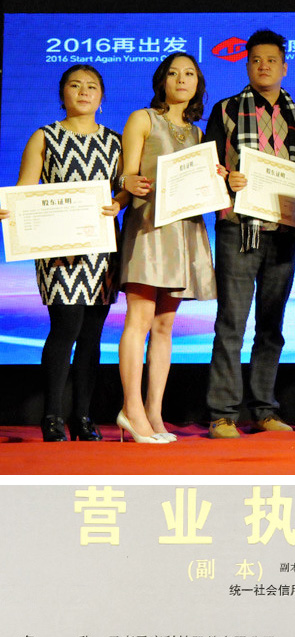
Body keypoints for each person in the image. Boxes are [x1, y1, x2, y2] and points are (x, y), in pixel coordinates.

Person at [204, 29, 295, 439]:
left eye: (271, 60)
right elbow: (208, 166)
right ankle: (222, 414)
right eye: (255, 60)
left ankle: (264, 410)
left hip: (283, 231)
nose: (263, 66)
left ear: (284, 67)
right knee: (231, 323)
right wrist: (226, 179)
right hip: (239, 228)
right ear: (247, 65)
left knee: (271, 326)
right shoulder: (226, 109)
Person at [0, 64, 122, 442]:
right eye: (75, 85)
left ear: (101, 98)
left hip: (102, 249)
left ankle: (82, 417)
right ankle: (52, 416)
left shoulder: (116, 141)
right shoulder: (45, 136)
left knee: (92, 335)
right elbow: (25, 189)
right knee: (66, 327)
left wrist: (119, 202)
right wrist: (10, 208)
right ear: (62, 93)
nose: (83, 92)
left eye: (91, 87)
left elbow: (125, 188)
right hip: (58, 249)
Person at [117, 52, 216, 443]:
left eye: (189, 74)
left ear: (198, 84)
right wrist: (127, 184)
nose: (181, 79)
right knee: (139, 319)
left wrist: (218, 179)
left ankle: (154, 413)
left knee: (164, 325)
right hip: (148, 227)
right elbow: (128, 174)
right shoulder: (142, 119)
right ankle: (131, 409)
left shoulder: (198, 135)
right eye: (174, 73)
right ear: (162, 80)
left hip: (184, 231)